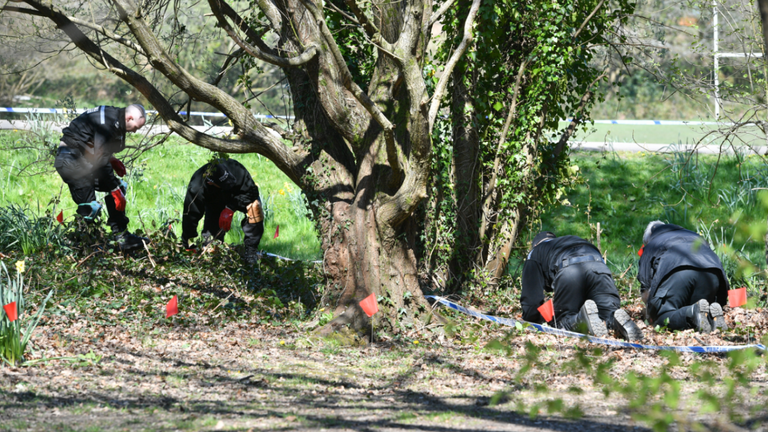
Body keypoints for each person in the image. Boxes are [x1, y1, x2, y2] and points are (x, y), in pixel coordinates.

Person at [54, 104, 148, 251]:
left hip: (83, 159)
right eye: (136, 127)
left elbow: (94, 146)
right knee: (90, 207)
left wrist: (112, 161)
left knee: (119, 188)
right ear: (129, 118)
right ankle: (83, 245)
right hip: (69, 159)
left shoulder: (115, 118)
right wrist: (114, 187)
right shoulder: (108, 122)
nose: (135, 131)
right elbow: (99, 160)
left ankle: (122, 238)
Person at [521, 231, 642, 340]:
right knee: (606, 313)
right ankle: (614, 320)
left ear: (535, 245)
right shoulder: (570, 241)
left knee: (563, 320)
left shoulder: (535, 253)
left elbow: (531, 304)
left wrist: (537, 318)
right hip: (599, 267)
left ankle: (580, 320)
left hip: (570, 271)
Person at [638, 221, 729, 333]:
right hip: (712, 270)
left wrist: (652, 310)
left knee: (662, 317)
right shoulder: (693, 235)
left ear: (648, 238)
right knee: (701, 308)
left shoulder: (652, 244)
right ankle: (711, 316)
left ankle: (691, 312)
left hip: (678, 268)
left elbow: (645, 285)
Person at [181, 158, 264, 263]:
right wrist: (188, 244)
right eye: (225, 184)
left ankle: (251, 253)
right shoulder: (197, 187)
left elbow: (252, 192)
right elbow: (190, 216)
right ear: (210, 182)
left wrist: (230, 208)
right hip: (214, 203)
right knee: (212, 247)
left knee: (255, 207)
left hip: (238, 197)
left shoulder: (236, 169)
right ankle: (214, 256)